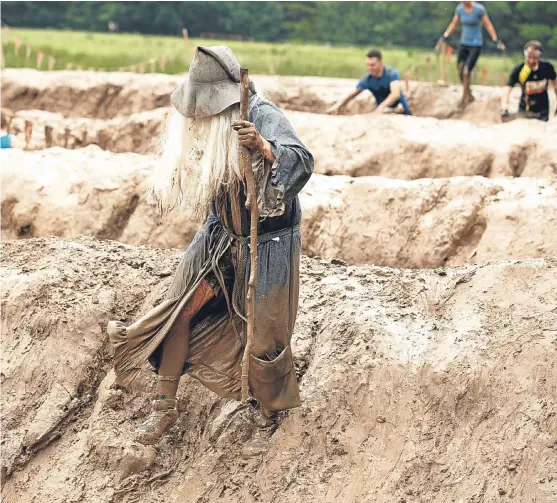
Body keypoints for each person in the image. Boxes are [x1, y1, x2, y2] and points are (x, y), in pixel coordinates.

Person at [107, 45, 314, 446]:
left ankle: (268, 414)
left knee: (265, 335)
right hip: (219, 235)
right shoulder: (212, 120)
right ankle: (164, 407)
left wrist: (264, 148)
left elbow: (301, 161)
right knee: (180, 308)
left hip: (267, 242)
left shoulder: (262, 113)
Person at [436, 1, 505, 107]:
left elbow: (488, 25)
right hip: (464, 43)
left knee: (466, 71)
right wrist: (444, 36)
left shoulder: (479, 9)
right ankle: (469, 94)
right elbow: (453, 24)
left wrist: (495, 40)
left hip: (476, 44)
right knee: (460, 70)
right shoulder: (459, 9)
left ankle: (464, 99)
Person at [327, 49, 412, 116]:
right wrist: (338, 106)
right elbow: (353, 93)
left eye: (372, 65)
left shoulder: (391, 73)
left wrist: (381, 107)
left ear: (380, 62)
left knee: (398, 109)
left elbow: (395, 94)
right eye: (368, 65)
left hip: (401, 111)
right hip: (381, 113)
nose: (370, 68)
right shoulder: (368, 79)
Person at [501, 40, 556, 122]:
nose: (531, 61)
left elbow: (555, 85)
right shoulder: (519, 69)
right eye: (529, 57)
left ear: (539, 56)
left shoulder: (547, 68)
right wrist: (504, 105)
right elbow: (508, 88)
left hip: (542, 111)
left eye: (534, 58)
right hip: (524, 110)